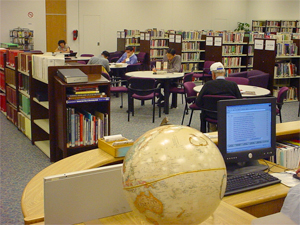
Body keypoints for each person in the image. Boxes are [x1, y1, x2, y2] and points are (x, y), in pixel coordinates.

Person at [195, 62, 242, 131]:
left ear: (213, 74)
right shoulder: (233, 85)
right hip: (228, 115)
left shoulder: (208, 85)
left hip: (210, 114)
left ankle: (211, 132)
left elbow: (198, 103)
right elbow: (240, 102)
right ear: (224, 73)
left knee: (203, 112)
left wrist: (200, 97)